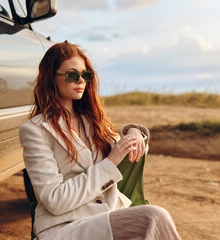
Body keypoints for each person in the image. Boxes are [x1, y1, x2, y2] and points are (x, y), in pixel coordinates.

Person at [19, 41, 182, 240]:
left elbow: (129, 153)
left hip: (108, 215)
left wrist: (134, 131)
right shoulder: (35, 131)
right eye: (72, 75)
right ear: (51, 78)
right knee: (153, 216)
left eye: (85, 74)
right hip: (65, 226)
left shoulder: (92, 120)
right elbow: (55, 200)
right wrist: (110, 162)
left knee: (153, 220)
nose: (81, 81)